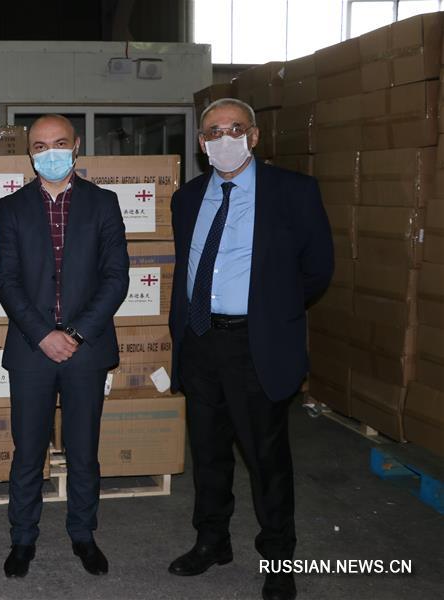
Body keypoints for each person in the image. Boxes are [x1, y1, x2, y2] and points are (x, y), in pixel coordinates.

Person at [167, 98, 333, 600]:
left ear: (254, 136)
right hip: (200, 340)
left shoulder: (293, 192)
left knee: (266, 459)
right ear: (201, 143)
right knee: (208, 451)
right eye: (214, 132)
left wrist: (270, 312)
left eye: (236, 129)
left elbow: (317, 269)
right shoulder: (187, 198)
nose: (225, 139)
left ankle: (279, 558)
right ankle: (212, 540)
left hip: (255, 343)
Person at [0, 114, 129, 578]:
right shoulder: (11, 208)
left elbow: (116, 278)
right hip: (30, 348)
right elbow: (7, 281)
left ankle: (83, 534)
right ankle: (22, 538)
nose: (49, 152)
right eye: (39, 145)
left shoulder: (104, 203)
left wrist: (74, 333)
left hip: (86, 349)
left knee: (84, 450)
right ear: (29, 153)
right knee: (28, 451)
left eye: (58, 143)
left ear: (76, 146)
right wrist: (43, 334)